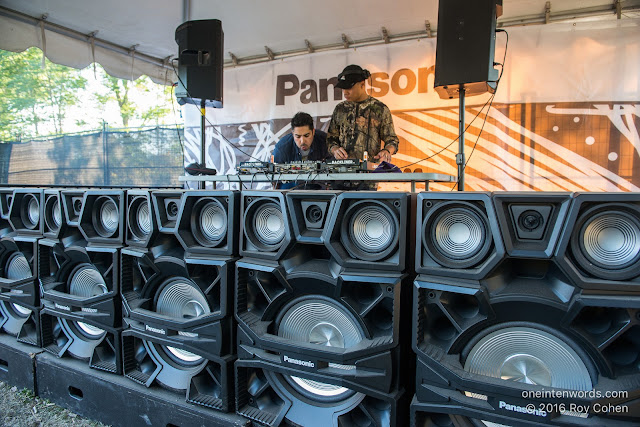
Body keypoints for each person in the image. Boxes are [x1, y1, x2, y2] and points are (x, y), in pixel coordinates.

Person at [326, 64, 399, 189]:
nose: (345, 92)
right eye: (343, 89)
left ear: (362, 84)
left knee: (364, 208)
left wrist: (386, 151)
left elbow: (392, 140)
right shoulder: (340, 109)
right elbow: (331, 139)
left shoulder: (380, 109)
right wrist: (335, 149)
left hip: (368, 178)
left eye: (349, 88)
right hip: (341, 176)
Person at [272, 112, 328, 189]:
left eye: (306, 135)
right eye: (298, 136)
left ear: (313, 132)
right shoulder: (282, 147)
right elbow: (273, 176)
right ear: (292, 133)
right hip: (291, 187)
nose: (302, 141)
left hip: (318, 186)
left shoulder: (324, 141)